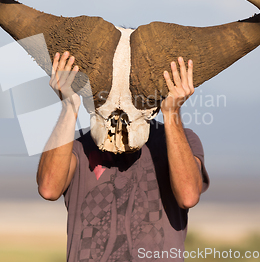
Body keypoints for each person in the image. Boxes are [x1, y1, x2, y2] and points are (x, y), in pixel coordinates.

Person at [37, 51, 210, 262]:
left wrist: (171, 112)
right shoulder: (79, 145)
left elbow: (188, 195)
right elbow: (48, 188)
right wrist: (69, 107)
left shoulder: (179, 141)